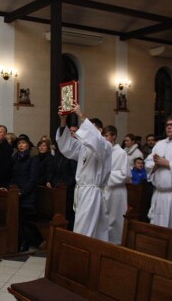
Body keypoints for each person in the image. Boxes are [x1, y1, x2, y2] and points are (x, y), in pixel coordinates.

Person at [56, 102, 111, 241]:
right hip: (81, 191)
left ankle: (80, 255)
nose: (85, 133)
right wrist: (63, 120)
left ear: (99, 130)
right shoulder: (83, 147)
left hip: (92, 192)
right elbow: (67, 145)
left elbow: (96, 140)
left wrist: (81, 115)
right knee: (90, 229)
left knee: (83, 230)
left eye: (90, 128)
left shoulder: (105, 146)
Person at [10, 134, 40, 251]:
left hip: (28, 195)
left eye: (23, 143)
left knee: (25, 220)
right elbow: (13, 175)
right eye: (19, 144)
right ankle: (17, 242)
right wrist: (11, 187)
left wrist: (22, 192)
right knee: (17, 219)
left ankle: (25, 243)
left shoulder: (33, 158)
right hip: (16, 192)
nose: (20, 145)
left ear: (28, 145)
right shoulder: (16, 158)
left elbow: (32, 179)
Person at [102, 125, 129, 244]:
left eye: (107, 135)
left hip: (117, 192)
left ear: (114, 136)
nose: (105, 138)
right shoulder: (103, 151)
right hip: (105, 190)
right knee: (104, 218)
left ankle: (116, 243)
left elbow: (125, 174)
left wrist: (106, 175)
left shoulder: (121, 153)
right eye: (104, 135)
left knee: (115, 219)